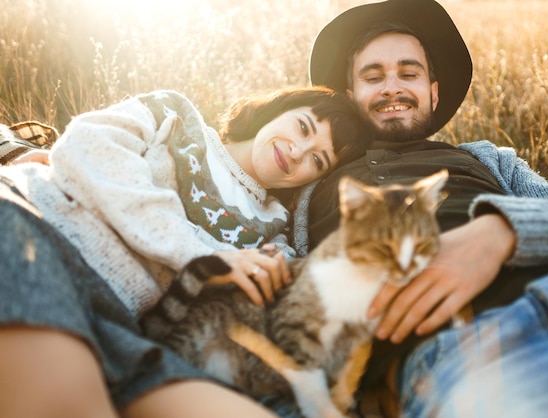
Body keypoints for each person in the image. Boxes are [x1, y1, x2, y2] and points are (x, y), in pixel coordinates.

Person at [273, 0, 548, 416]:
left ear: (433, 92)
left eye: (409, 73)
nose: (392, 87)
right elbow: (284, 285)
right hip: (464, 352)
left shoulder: (486, 157)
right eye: (373, 77)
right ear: (351, 96)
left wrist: (501, 233)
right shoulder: (315, 182)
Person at [0, 86, 368, 417]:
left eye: (318, 161)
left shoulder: (276, 235)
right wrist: (202, 256)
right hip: (42, 226)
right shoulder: (175, 115)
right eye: (303, 127)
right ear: (278, 108)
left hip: (126, 324)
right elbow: (86, 147)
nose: (299, 151)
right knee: (68, 402)